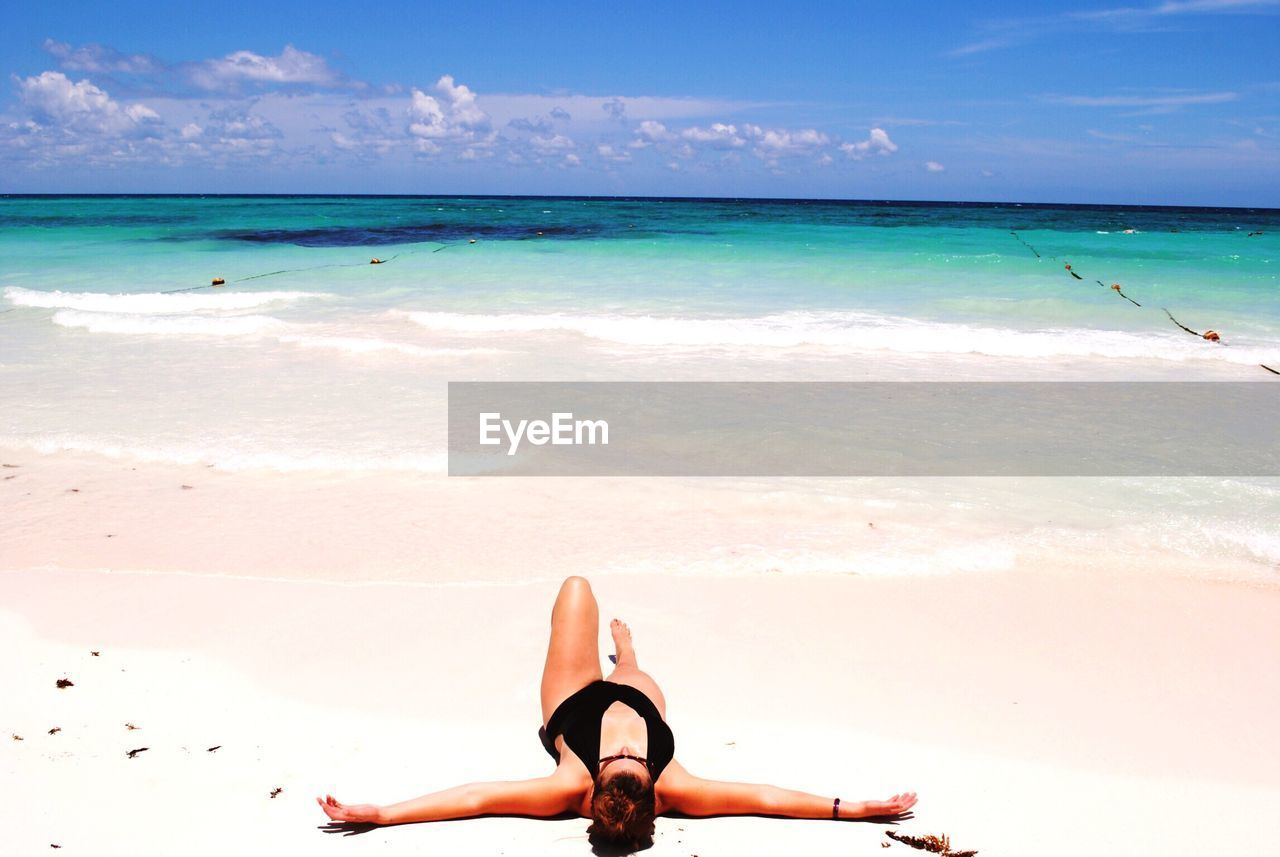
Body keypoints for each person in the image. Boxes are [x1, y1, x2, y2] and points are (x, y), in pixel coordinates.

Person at [317, 576, 917, 852]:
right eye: (632, 758)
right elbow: (764, 797)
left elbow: (476, 799)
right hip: (639, 692)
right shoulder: (676, 786)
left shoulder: (570, 784)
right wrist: (853, 808)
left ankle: (617, 656)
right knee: (635, 678)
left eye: (620, 758)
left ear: (595, 785)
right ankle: (626, 654)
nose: (627, 748)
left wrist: (383, 814)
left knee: (575, 589)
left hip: (573, 697)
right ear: (653, 787)